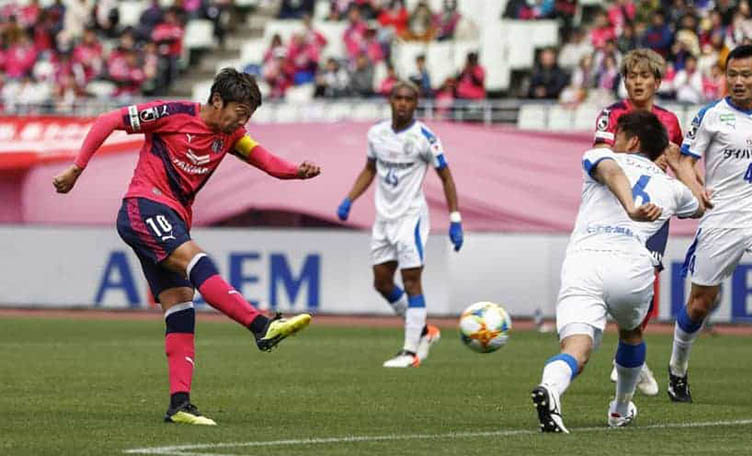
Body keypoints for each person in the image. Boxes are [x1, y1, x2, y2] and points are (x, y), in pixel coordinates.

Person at [51, 68, 321, 425]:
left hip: (172, 217)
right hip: (144, 206)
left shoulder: (231, 135)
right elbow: (109, 119)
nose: (243, 122)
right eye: (240, 112)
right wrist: (76, 168)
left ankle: (179, 405)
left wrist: (295, 171)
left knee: (181, 304)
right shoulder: (172, 114)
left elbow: (266, 160)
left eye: (249, 116)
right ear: (217, 100)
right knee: (196, 259)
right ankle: (260, 325)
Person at [532, 111, 703, 433]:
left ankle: (551, 388)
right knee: (632, 333)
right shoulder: (672, 187)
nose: (613, 139)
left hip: (584, 259)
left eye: (618, 134)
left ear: (633, 140)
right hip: (631, 266)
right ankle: (620, 409)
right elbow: (702, 203)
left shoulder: (599, 155)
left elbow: (611, 171)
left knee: (576, 348)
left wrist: (629, 205)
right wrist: (682, 168)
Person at [668, 44, 752, 402]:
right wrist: (697, 190)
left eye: (745, 75)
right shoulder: (711, 115)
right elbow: (683, 162)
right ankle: (677, 370)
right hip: (722, 217)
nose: (737, 82)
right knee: (700, 303)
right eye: (731, 75)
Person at [336, 81, 463, 368]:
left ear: (416, 103)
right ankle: (423, 332)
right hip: (384, 219)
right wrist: (349, 199)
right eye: (398, 98)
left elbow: (446, 177)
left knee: (411, 282)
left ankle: (410, 352)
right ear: (390, 101)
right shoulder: (376, 134)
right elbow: (370, 169)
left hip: (411, 219)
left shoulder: (425, 138)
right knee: (381, 282)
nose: (403, 103)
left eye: (409, 98)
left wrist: (455, 218)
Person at [594, 48, 685, 397]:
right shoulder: (610, 115)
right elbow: (603, 159)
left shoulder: (670, 121)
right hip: (615, 208)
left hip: (654, 213)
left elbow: (676, 162)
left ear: (658, 82)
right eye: (631, 76)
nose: (637, 82)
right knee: (608, 277)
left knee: (646, 277)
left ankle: (632, 352)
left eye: (645, 76)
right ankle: (630, 355)